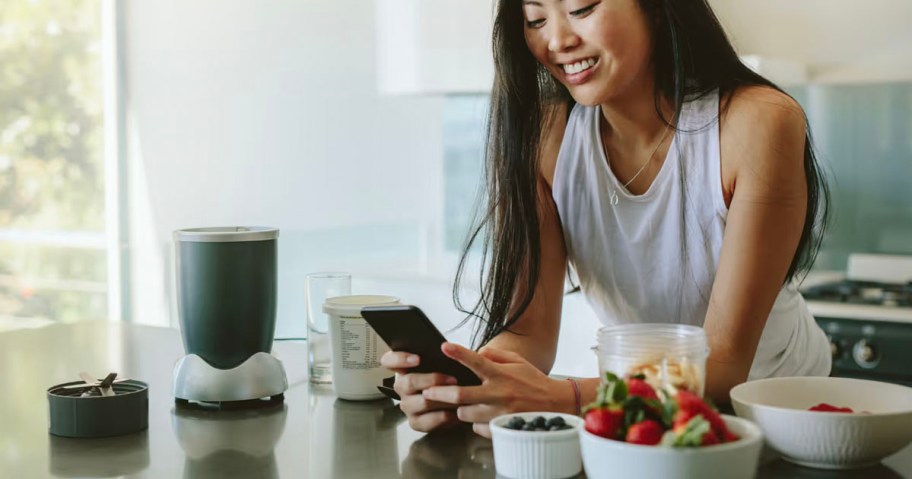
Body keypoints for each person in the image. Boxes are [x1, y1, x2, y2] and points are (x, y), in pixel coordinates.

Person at [381, 0, 831, 438]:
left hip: (779, 416)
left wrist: (565, 397)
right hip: (638, 413)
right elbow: (526, 331)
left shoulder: (756, 122)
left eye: (582, 9)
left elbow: (723, 364)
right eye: (535, 18)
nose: (557, 40)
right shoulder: (545, 136)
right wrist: (472, 384)